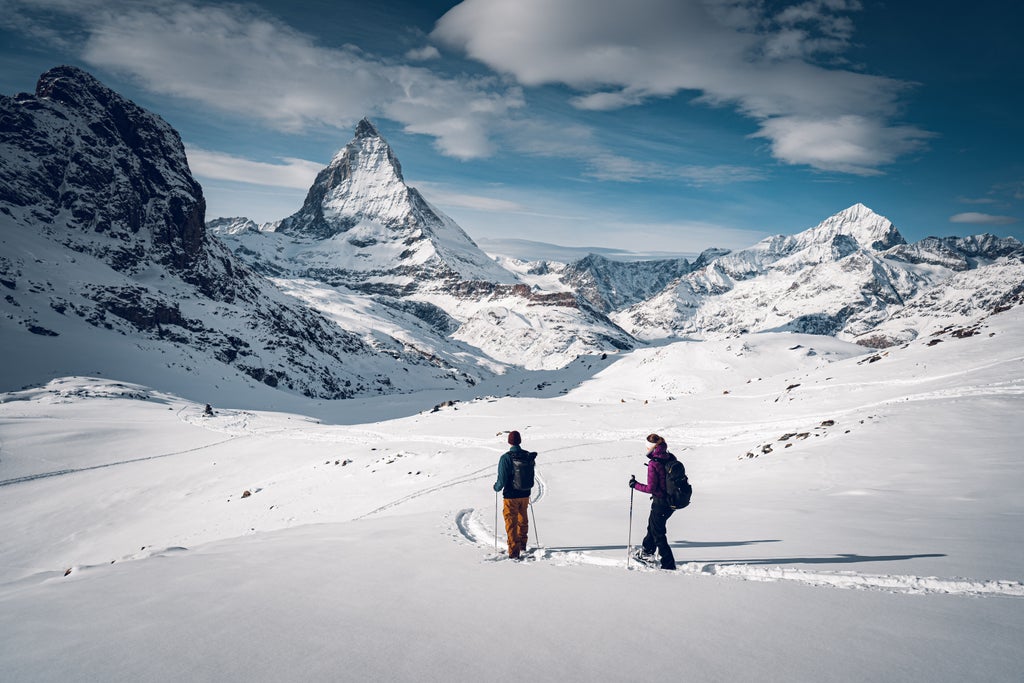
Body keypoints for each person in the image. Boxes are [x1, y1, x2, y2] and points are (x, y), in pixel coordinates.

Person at [629, 433, 677, 570]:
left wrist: (635, 485)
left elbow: (651, 488)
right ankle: (647, 553)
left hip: (661, 502)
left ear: (651, 447)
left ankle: (668, 564)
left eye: (646, 446)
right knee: (653, 527)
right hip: (671, 501)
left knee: (658, 533)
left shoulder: (654, 463)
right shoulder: (669, 456)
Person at [493, 430, 536, 559]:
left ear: (509, 441)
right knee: (522, 519)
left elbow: (502, 480)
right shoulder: (527, 455)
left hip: (511, 495)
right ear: (520, 441)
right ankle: (522, 545)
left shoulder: (506, 458)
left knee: (511, 522)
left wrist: (496, 487)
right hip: (525, 493)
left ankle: (514, 551)